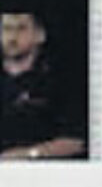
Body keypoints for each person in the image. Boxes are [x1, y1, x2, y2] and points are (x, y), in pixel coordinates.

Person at [1, 9, 93, 160]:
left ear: (40, 35)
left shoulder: (60, 81)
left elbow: (76, 141)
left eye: (21, 28)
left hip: (45, 170)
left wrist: (28, 154)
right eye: (6, 29)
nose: (12, 37)